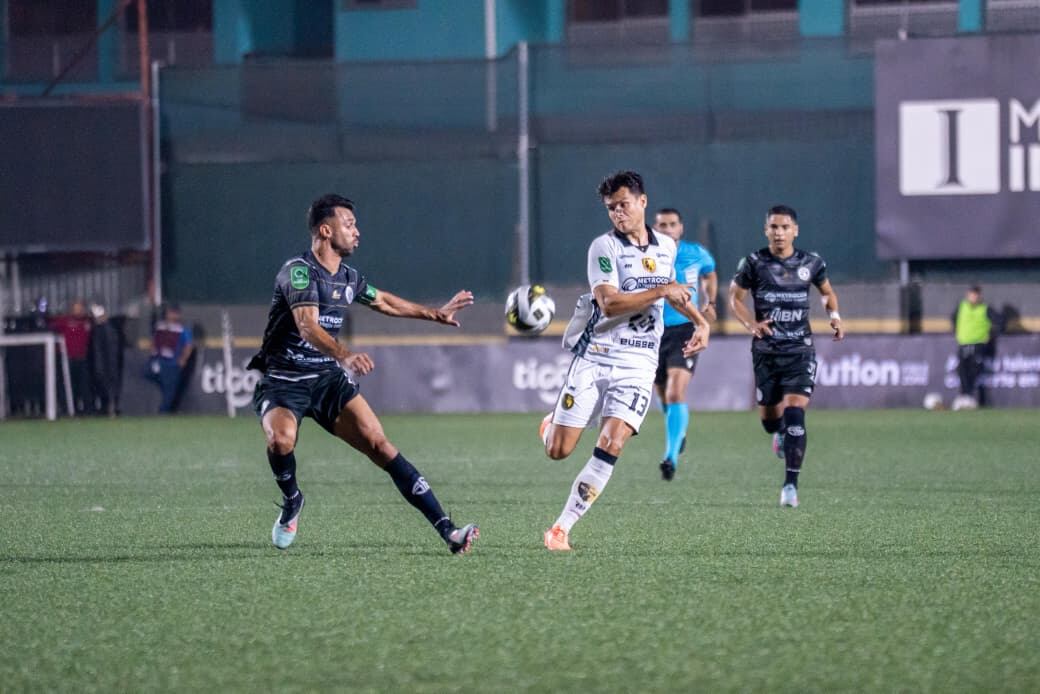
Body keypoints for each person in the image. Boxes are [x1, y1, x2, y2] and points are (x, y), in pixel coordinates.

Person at [247, 193, 479, 554]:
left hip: (326, 379)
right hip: (283, 379)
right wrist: (345, 354)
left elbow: (383, 300)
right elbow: (307, 326)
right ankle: (292, 499)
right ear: (326, 230)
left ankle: (448, 531)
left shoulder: (349, 278)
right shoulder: (299, 271)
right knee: (281, 440)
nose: (357, 232)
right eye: (349, 224)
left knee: (379, 445)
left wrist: (435, 314)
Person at [541, 171, 710, 551]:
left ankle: (561, 529)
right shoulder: (604, 247)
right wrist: (660, 289)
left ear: (642, 202)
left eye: (624, 204)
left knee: (613, 442)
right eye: (611, 208)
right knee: (558, 451)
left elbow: (674, 293)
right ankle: (551, 426)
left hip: (639, 362)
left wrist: (700, 322)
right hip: (597, 354)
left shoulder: (666, 246)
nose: (618, 213)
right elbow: (609, 302)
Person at [728, 204, 844, 509]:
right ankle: (777, 432)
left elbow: (827, 292)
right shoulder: (753, 263)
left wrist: (834, 316)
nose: (779, 233)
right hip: (766, 352)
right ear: (766, 230)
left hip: (800, 351)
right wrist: (751, 324)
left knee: (795, 413)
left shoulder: (812, 262)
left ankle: (790, 485)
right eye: (774, 227)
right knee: (770, 420)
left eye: (785, 227)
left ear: (795, 230)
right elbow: (735, 298)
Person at [651, 208, 718, 481]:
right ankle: (678, 431)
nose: (668, 229)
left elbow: (710, 274)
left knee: (676, 392)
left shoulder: (697, 253)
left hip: (686, 329)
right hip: (652, 332)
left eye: (672, 224)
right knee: (661, 392)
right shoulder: (648, 255)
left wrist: (710, 302)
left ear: (681, 228)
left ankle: (670, 457)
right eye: (662, 225)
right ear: (654, 229)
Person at [951, 285, 1000, 410]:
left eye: (976, 295)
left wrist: (992, 334)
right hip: (963, 343)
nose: (974, 297)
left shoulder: (985, 309)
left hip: (978, 344)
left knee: (974, 370)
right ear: (968, 295)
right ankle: (964, 396)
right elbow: (953, 319)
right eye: (972, 294)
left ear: (979, 296)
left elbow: (999, 321)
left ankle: (969, 396)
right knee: (962, 370)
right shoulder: (962, 306)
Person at [147, 303, 195, 413]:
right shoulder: (161, 326)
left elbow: (188, 346)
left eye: (174, 313)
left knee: (170, 391)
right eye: (170, 313)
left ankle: (164, 412)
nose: (172, 315)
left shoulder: (182, 329)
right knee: (153, 380)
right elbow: (154, 342)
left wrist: (182, 360)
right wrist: (152, 353)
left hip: (172, 364)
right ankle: (162, 410)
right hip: (158, 361)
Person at [49, 298, 93, 414]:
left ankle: (88, 409)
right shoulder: (65, 321)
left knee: (85, 385)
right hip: (68, 359)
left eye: (80, 308)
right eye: (76, 308)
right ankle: (67, 409)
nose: (78, 311)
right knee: (68, 385)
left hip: (82, 358)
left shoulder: (88, 322)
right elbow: (52, 325)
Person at [87, 302, 124, 416]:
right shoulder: (96, 329)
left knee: (109, 380)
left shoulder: (109, 329)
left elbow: (111, 350)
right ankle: (107, 405)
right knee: (102, 380)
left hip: (108, 363)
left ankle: (111, 405)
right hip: (102, 363)